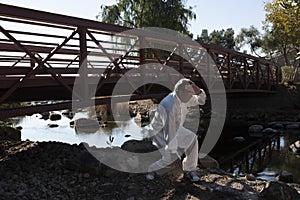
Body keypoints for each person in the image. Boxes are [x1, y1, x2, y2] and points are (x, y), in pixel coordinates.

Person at [142, 78, 206, 182]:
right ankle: (151, 169)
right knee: (171, 159)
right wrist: (173, 152)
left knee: (192, 139)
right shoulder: (169, 105)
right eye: (189, 93)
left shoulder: (185, 96)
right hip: (161, 132)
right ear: (180, 92)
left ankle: (190, 169)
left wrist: (198, 91)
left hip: (175, 128)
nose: (191, 95)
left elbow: (201, 101)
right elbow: (169, 130)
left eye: (192, 93)